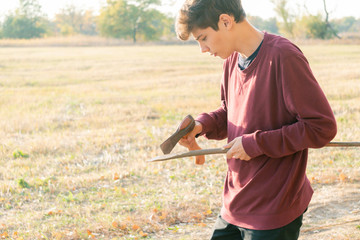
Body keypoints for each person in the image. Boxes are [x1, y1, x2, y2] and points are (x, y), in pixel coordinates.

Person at [175, 0, 337, 239]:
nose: (203, 49)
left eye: (203, 38)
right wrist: (201, 125)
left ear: (226, 21)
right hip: (235, 203)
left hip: (274, 208)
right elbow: (232, 112)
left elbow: (321, 127)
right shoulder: (232, 60)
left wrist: (255, 144)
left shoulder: (284, 56)